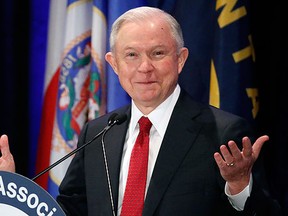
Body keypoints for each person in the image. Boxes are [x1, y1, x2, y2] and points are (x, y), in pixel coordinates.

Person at [0, 6, 283, 216]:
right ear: (113, 64)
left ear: (180, 59)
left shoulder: (224, 132)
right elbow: (69, 210)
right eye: (131, 55)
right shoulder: (98, 132)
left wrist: (239, 186)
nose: (144, 67)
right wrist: (13, 194)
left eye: (158, 53)